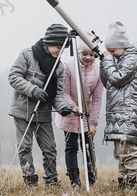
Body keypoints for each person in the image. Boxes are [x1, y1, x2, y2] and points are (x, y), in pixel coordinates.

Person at [8, 23, 73, 188]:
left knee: (50, 148)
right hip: (23, 110)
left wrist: (62, 107)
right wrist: (33, 90)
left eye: (64, 48)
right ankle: (30, 179)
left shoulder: (59, 67)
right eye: (59, 46)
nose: (61, 51)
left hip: (43, 114)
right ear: (49, 42)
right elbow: (13, 77)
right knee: (25, 147)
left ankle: (52, 181)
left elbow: (57, 95)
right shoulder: (27, 55)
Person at [100, 21, 137, 191]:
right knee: (120, 151)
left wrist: (108, 60)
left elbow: (117, 78)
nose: (111, 54)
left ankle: (134, 183)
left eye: (113, 50)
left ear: (122, 46)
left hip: (129, 112)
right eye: (110, 52)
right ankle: (123, 182)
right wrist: (104, 62)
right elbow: (108, 82)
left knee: (129, 151)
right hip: (118, 112)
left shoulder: (132, 59)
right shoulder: (117, 59)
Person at [55, 36, 104, 188]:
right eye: (84, 54)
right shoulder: (68, 67)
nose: (88, 57)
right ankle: (74, 181)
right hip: (71, 113)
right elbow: (64, 93)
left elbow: (97, 99)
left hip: (87, 116)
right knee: (71, 147)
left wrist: (94, 123)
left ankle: (92, 180)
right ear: (77, 53)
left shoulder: (99, 69)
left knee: (88, 147)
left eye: (92, 54)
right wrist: (72, 106)